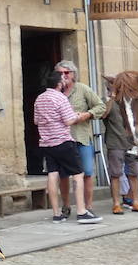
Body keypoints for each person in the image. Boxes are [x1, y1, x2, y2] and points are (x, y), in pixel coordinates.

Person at [33, 69, 101, 224]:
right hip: (63, 142)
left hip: (47, 143)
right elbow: (69, 121)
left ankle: (56, 214)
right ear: (59, 84)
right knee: (78, 174)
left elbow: (36, 121)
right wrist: (78, 116)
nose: (65, 82)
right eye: (62, 80)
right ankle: (82, 211)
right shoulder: (61, 98)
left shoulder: (39, 99)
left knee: (52, 175)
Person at [55, 60, 106, 217]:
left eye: (66, 72)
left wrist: (87, 114)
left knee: (87, 173)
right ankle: (66, 206)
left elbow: (101, 106)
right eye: (60, 73)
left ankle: (87, 206)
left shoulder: (83, 89)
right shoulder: (55, 92)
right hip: (62, 140)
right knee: (63, 175)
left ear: (73, 74)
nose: (63, 76)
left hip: (81, 137)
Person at [101, 87, 138, 215]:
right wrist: (112, 98)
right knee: (115, 174)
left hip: (132, 143)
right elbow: (103, 114)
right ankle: (116, 204)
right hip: (115, 143)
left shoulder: (131, 101)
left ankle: (135, 201)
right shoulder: (107, 101)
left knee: (135, 173)